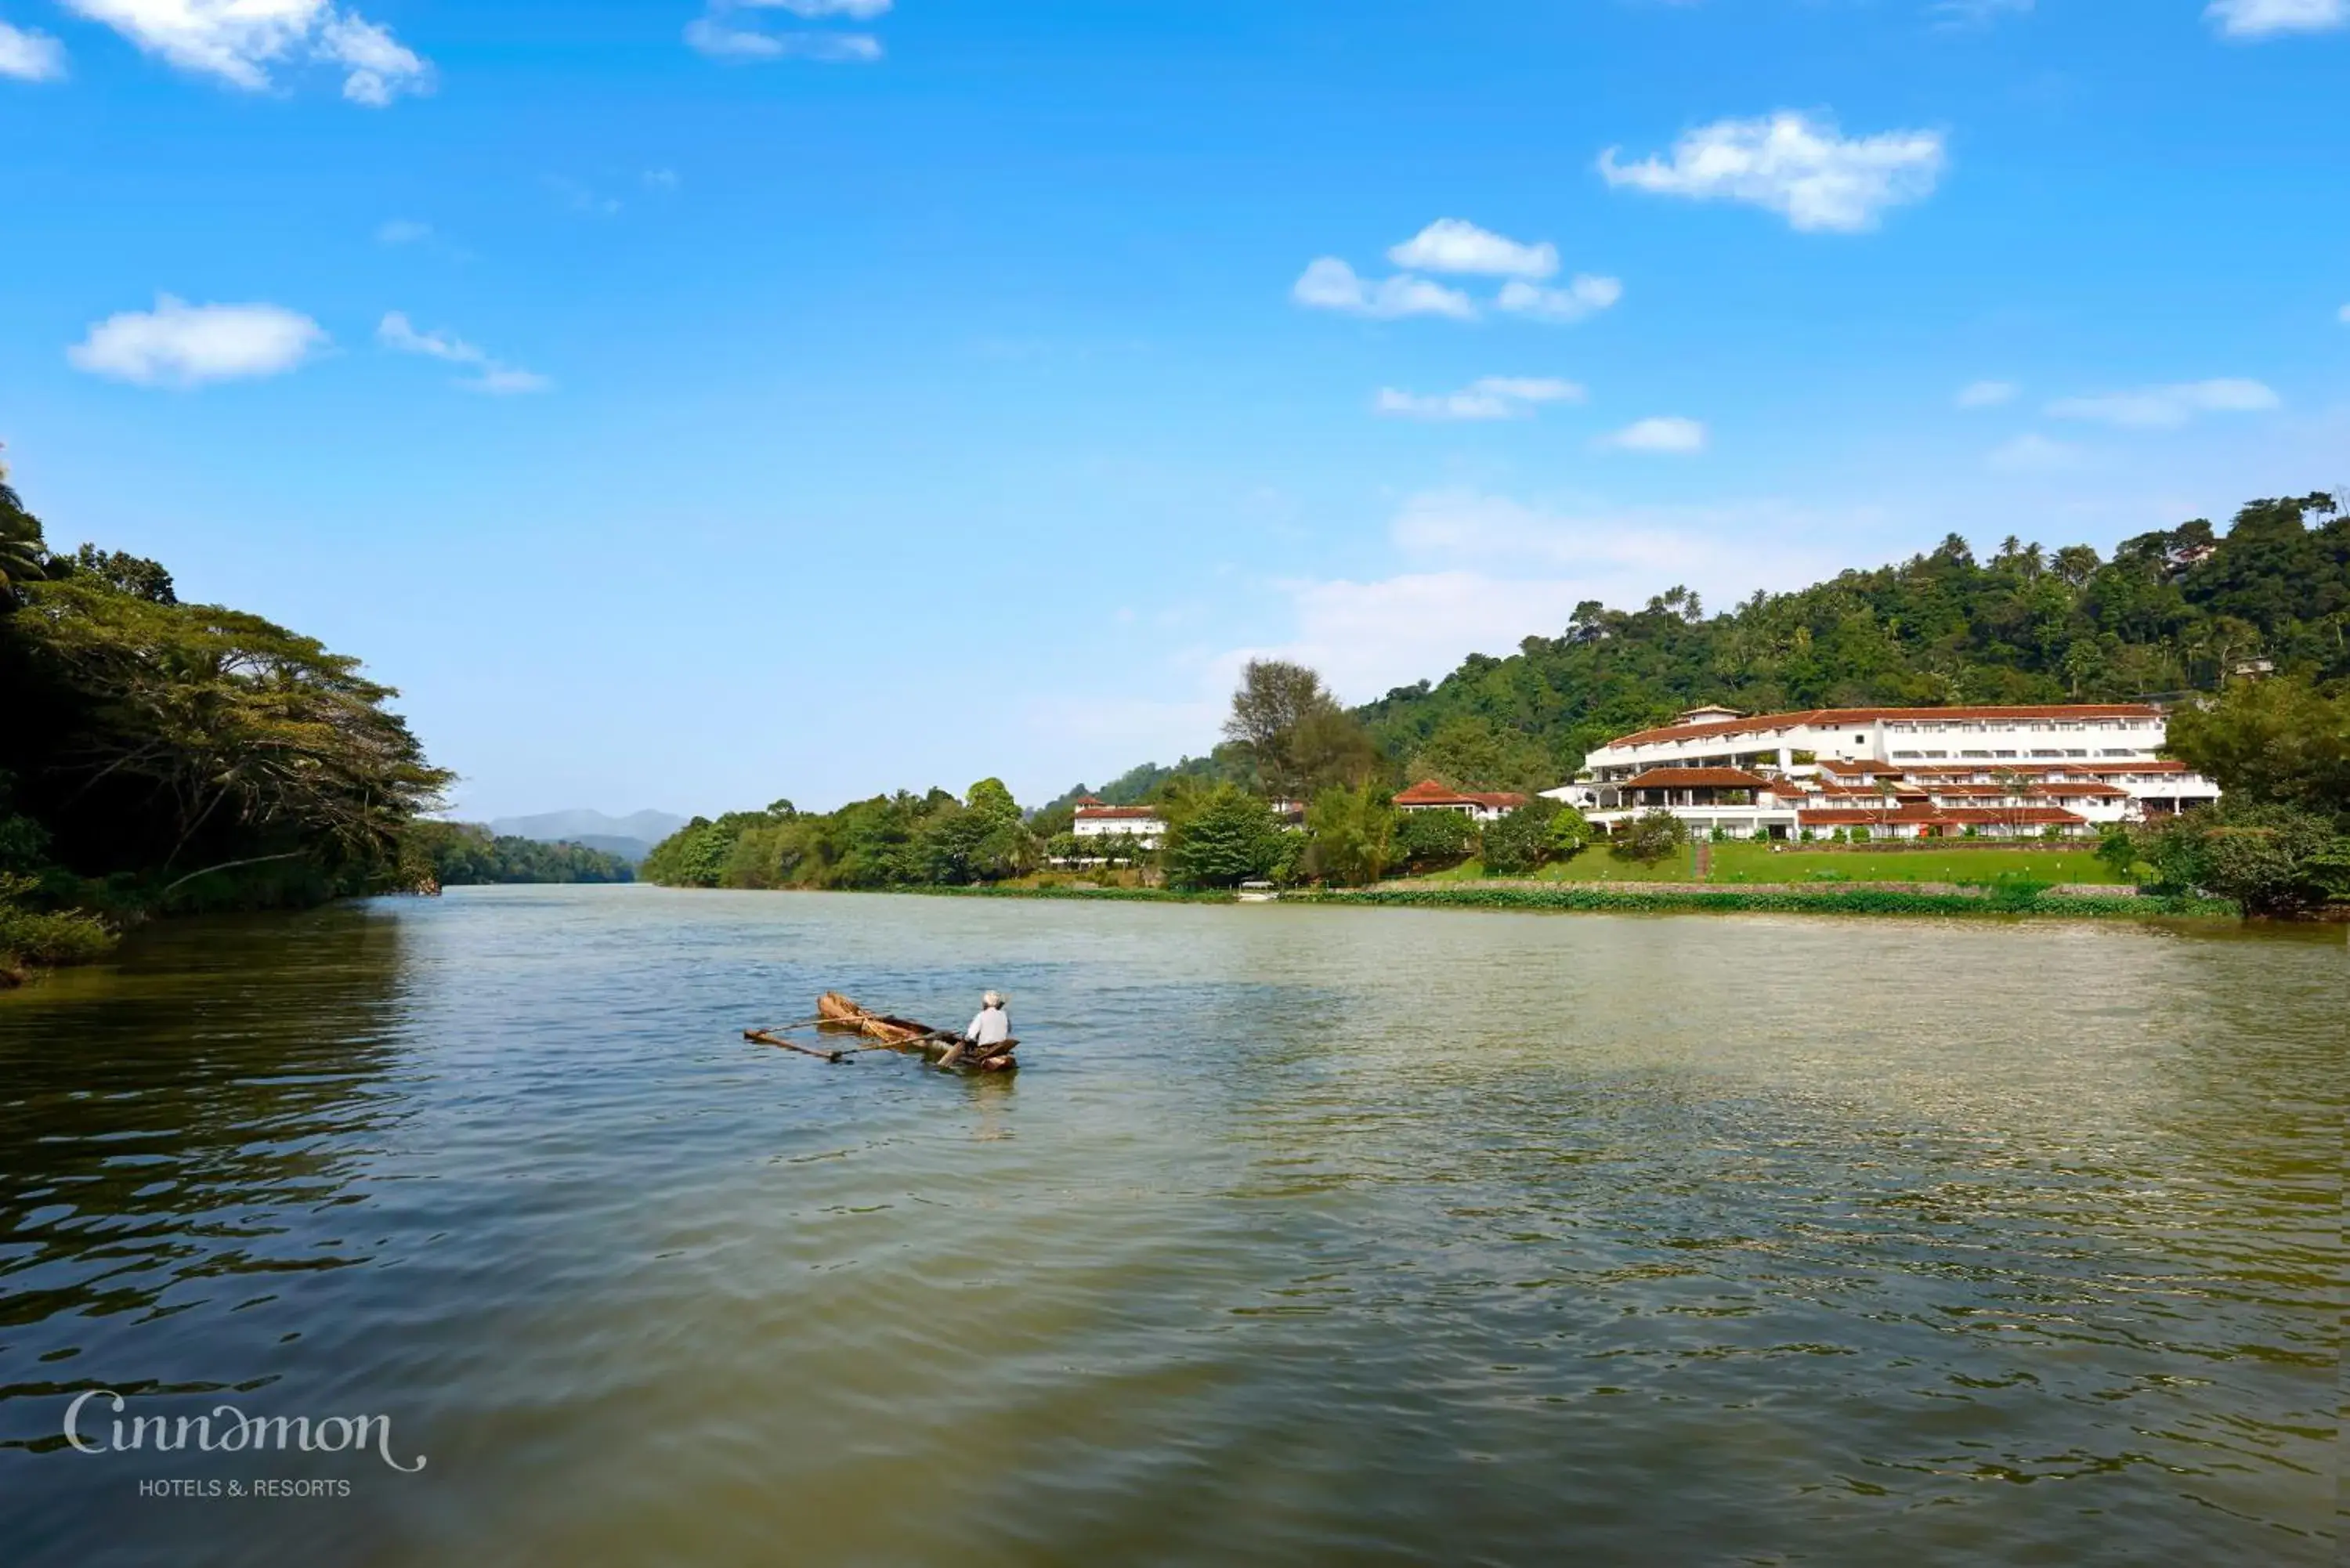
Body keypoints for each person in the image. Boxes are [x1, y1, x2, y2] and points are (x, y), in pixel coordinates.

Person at [940, 991, 1010, 1069]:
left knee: (967, 1042)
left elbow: (970, 1036)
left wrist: (965, 1038)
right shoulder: (1004, 1015)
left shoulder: (981, 1016)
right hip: (1000, 1048)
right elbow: (1008, 1030)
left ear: (985, 1004)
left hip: (986, 1049)